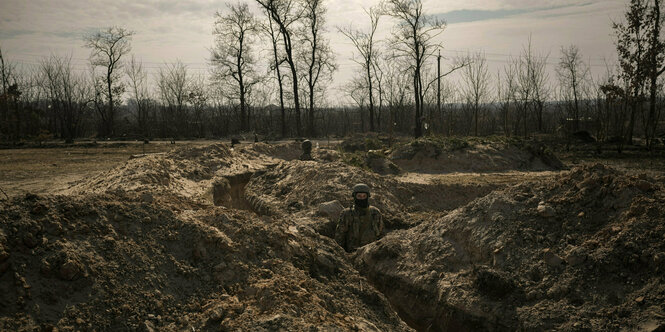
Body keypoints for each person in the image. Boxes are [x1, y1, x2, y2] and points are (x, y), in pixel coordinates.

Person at [335, 183, 384, 252]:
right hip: (352, 253)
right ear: (354, 196)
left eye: (364, 196)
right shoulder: (347, 213)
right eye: (359, 196)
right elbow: (340, 236)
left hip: (371, 253)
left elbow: (381, 234)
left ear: (368, 197)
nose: (362, 198)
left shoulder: (375, 213)